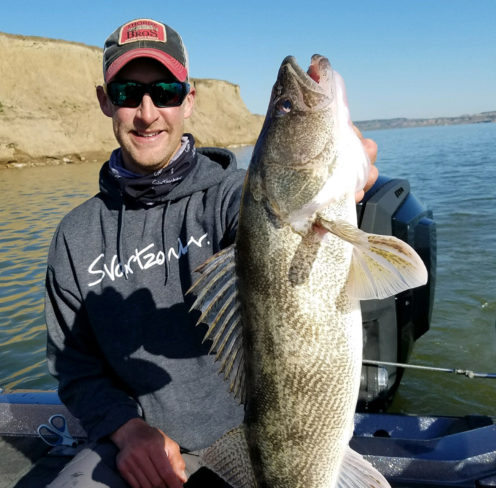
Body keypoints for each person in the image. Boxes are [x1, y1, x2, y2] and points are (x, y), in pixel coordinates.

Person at [44, 18, 378, 488]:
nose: (147, 112)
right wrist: (129, 430)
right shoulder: (76, 236)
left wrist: (351, 180)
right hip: (137, 450)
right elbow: (74, 368)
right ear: (106, 101)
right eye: (126, 93)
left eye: (165, 91)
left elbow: (274, 229)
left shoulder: (233, 200)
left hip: (249, 442)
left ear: (189, 100)